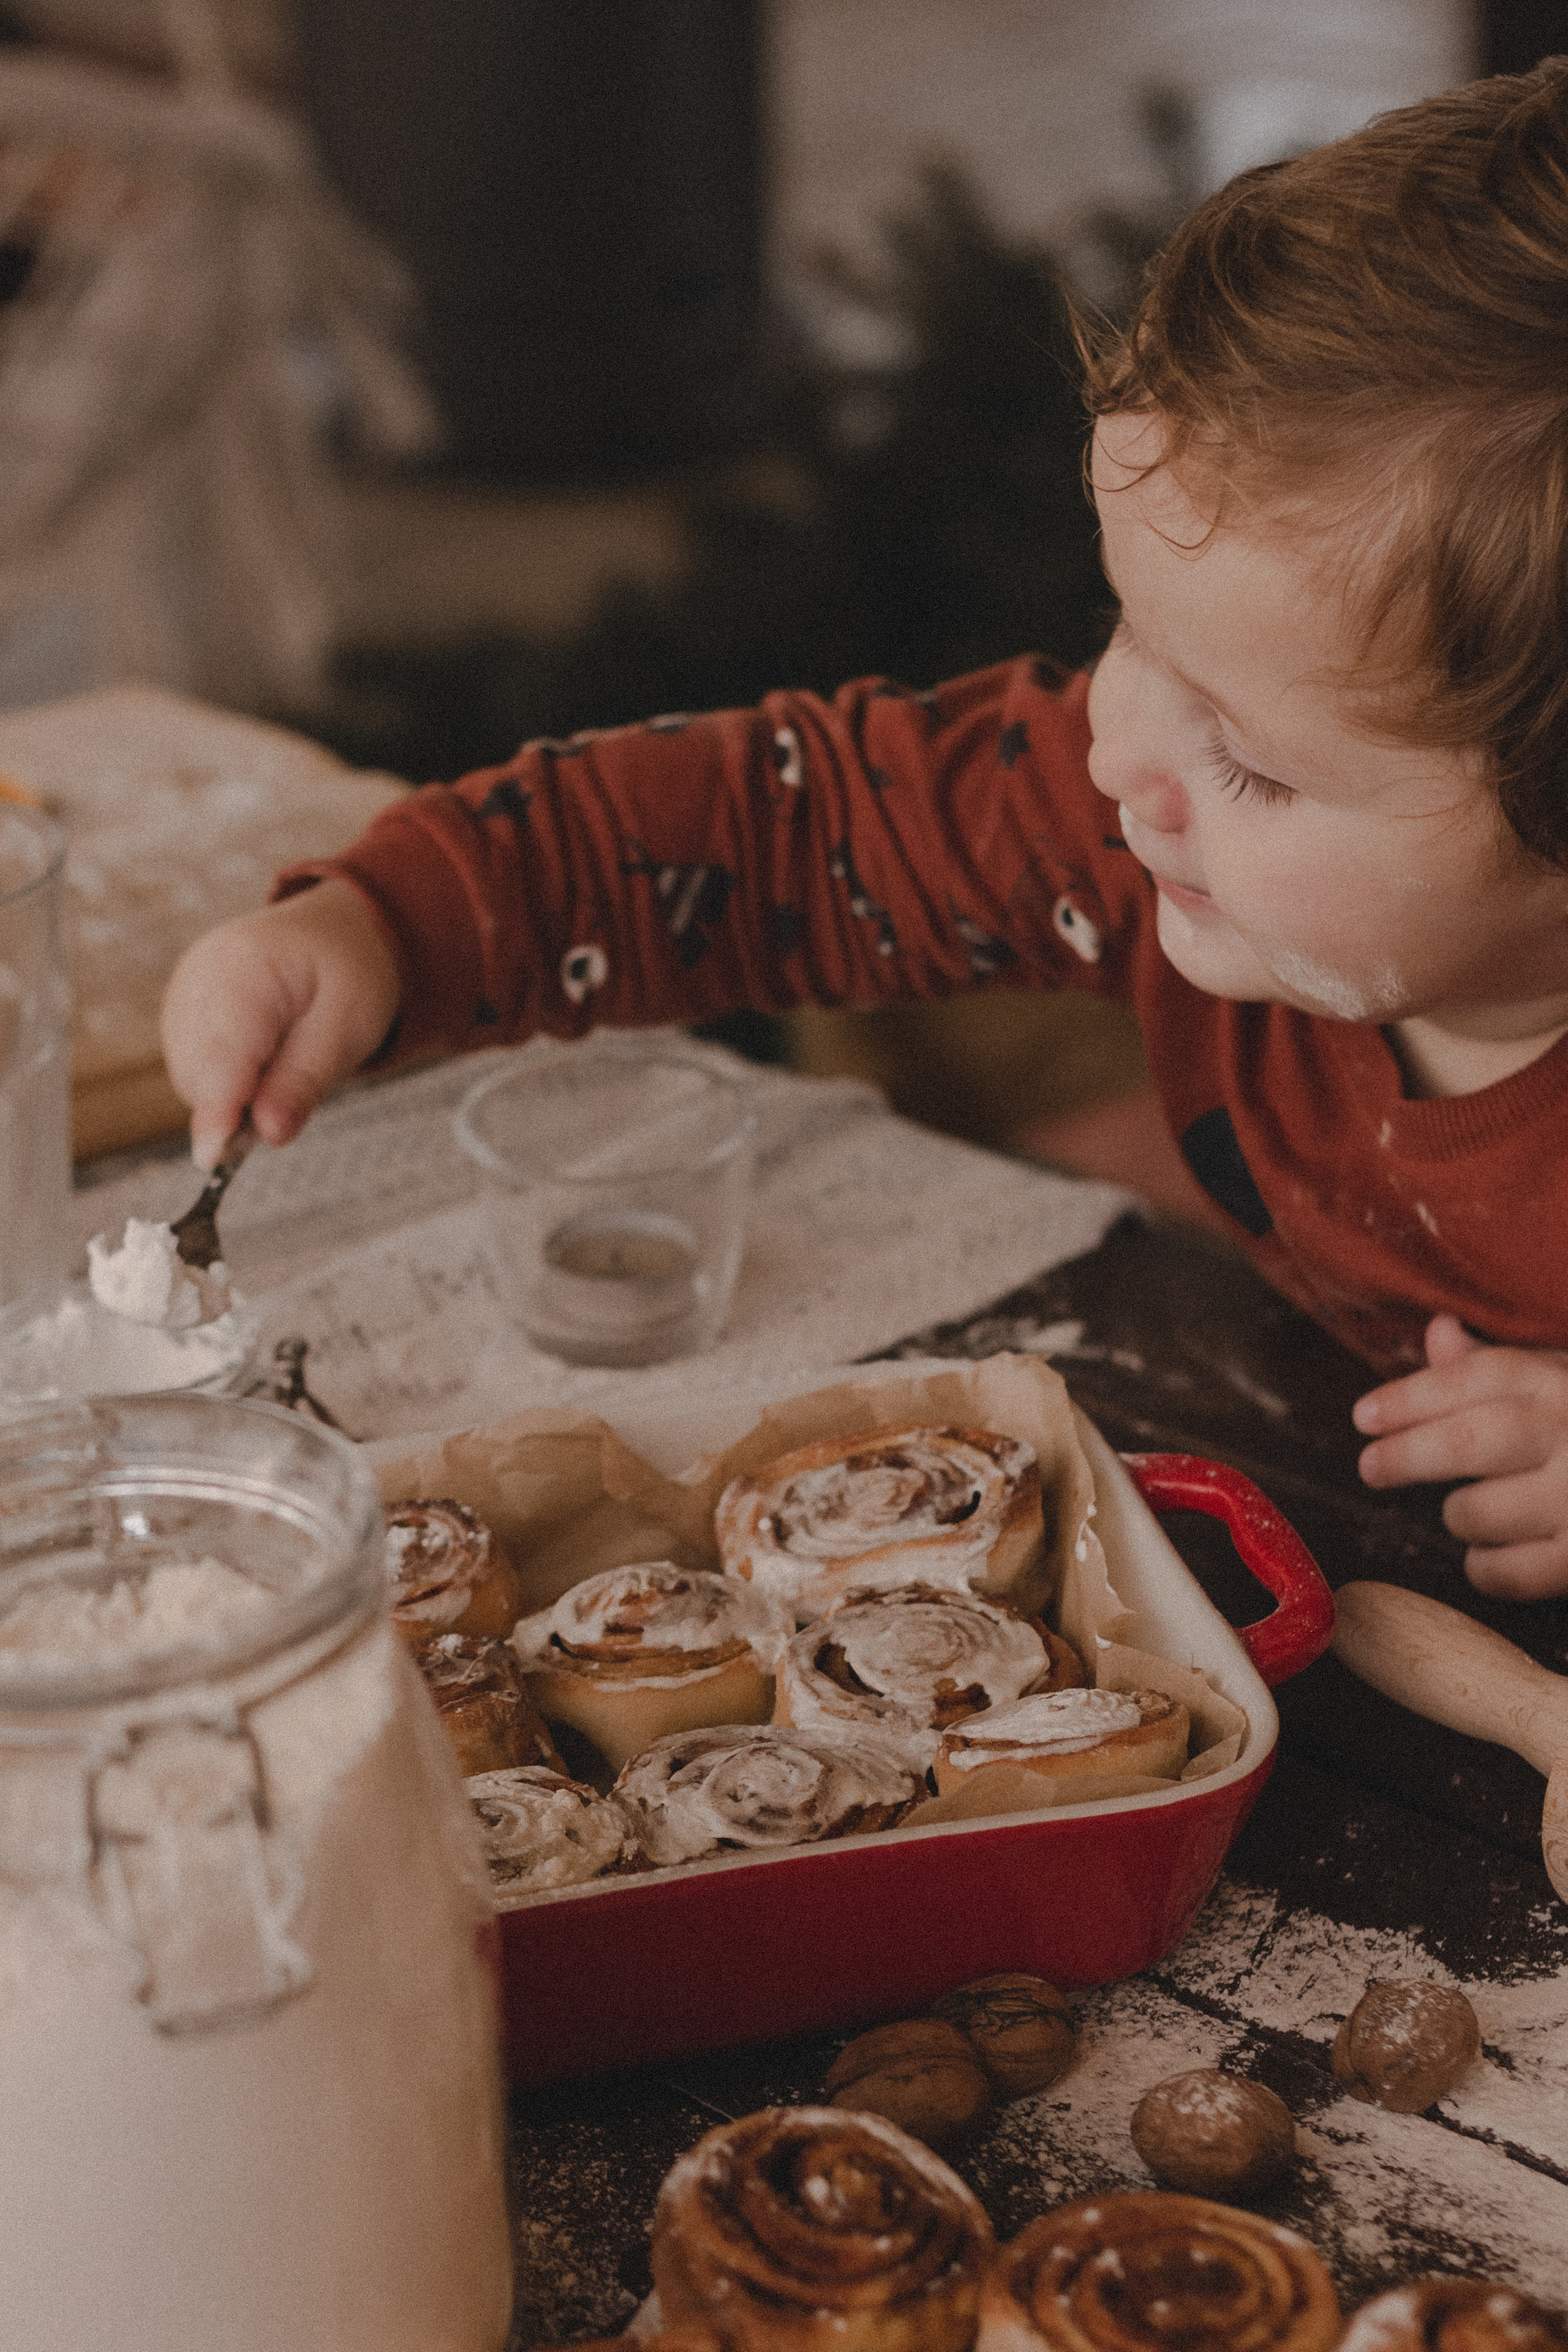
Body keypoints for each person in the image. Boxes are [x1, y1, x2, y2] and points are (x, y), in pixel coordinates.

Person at [162, 62, 1568, 1601]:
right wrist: (389, 923)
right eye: (1127, 631)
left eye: (1247, 762)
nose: (1114, 752)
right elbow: (778, 829)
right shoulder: (1150, 815)